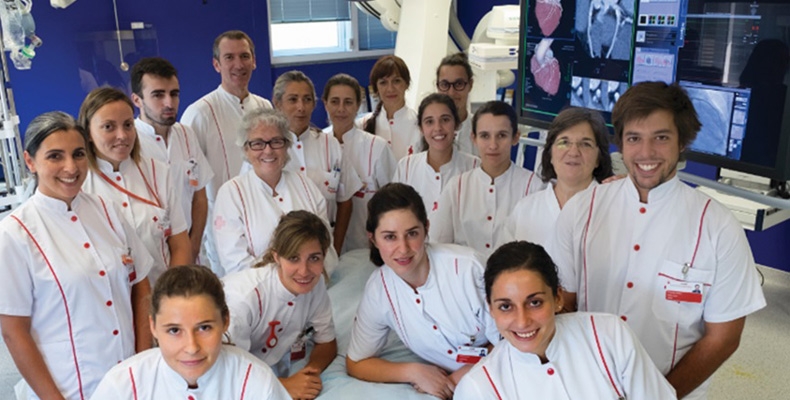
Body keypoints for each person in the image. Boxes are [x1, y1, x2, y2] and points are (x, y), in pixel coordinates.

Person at [550, 81, 767, 399]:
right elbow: (565, 304)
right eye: (634, 138)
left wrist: (659, 395)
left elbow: (723, 337)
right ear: (620, 144)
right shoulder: (581, 211)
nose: (646, 152)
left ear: (682, 142)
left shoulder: (718, 227)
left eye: (661, 138)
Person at [0, 112, 153, 400]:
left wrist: (143, 363)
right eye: (55, 156)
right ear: (30, 161)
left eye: (78, 154)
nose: (71, 167)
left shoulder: (107, 211)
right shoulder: (14, 233)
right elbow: (13, 331)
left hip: (128, 381)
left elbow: (141, 285)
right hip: (67, 387)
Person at [454, 241, 676, 399]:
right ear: (491, 308)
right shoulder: (478, 388)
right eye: (506, 306)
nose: (522, 321)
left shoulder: (608, 335)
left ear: (558, 298)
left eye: (535, 303)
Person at [346, 183, 496, 400]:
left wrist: (461, 378)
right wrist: (413, 372)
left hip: (501, 369)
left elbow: (515, 340)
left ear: (426, 229)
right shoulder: (379, 290)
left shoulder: (469, 269)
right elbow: (356, 362)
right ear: (373, 239)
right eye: (390, 237)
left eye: (412, 234)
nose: (403, 248)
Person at [89, 265, 290, 399]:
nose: (192, 347)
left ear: (225, 321)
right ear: (153, 327)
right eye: (174, 330)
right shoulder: (122, 385)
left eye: (204, 328)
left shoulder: (256, 381)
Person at [80, 88, 191, 284]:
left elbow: (180, 243)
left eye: (128, 125)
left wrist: (170, 293)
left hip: (162, 290)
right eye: (108, 127)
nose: (122, 135)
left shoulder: (158, 172)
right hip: (110, 298)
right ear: (88, 133)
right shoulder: (79, 184)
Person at [223, 210, 337, 399]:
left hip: (265, 371)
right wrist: (282, 385)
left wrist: (309, 373)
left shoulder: (314, 286)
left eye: (314, 258)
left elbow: (327, 342)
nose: (304, 271)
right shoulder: (243, 300)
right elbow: (225, 370)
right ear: (276, 257)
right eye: (293, 258)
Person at [211, 108, 337, 276]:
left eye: (276, 141)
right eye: (258, 143)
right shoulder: (231, 194)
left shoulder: (305, 185)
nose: (268, 150)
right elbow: (235, 263)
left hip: (312, 285)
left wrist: (306, 277)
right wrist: (289, 280)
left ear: (287, 145)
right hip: (258, 290)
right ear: (246, 149)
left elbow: (326, 246)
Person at [432, 101, 544, 259]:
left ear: (515, 137)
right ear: (474, 138)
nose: (493, 145)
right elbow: (438, 245)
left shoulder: (533, 187)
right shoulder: (457, 187)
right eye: (485, 136)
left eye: (501, 135)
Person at [131, 57, 213, 263]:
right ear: (137, 100)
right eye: (158, 95)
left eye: (174, 94)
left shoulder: (186, 135)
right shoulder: (129, 142)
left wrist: (192, 247)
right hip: (148, 257)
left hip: (188, 251)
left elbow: (199, 196)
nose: (169, 103)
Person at [272, 70, 362, 253]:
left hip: (324, 249)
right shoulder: (267, 149)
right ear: (278, 104)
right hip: (283, 251)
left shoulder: (330, 144)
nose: (301, 107)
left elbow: (345, 201)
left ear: (314, 104)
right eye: (293, 99)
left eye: (307, 99)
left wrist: (335, 248)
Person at [181, 30, 273, 202]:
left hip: (263, 206)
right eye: (229, 57)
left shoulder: (265, 107)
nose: (239, 65)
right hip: (220, 213)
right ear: (216, 64)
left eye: (244, 56)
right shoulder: (199, 113)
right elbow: (187, 178)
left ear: (254, 61)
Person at [501, 107, 613, 248]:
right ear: (550, 154)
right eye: (564, 142)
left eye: (585, 144)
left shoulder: (614, 210)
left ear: (599, 158)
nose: (573, 152)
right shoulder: (525, 209)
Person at [322, 73, 396, 253]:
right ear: (325, 104)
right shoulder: (318, 144)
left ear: (358, 105)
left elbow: (393, 202)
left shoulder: (377, 147)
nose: (341, 109)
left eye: (348, 102)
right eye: (335, 101)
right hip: (324, 248)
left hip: (366, 248)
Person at [392, 93, 478, 226]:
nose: (438, 128)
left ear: (456, 124)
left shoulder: (475, 167)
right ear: (421, 128)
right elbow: (395, 213)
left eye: (445, 120)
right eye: (429, 122)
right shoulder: (406, 166)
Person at [360, 55, 422, 160]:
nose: (390, 89)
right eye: (383, 83)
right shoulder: (362, 125)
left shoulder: (421, 125)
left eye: (396, 81)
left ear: (406, 84)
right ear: (376, 88)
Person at [436, 52, 477, 156]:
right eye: (445, 84)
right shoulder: (424, 132)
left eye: (459, 84)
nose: (451, 93)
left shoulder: (481, 130)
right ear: (437, 86)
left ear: (470, 85)